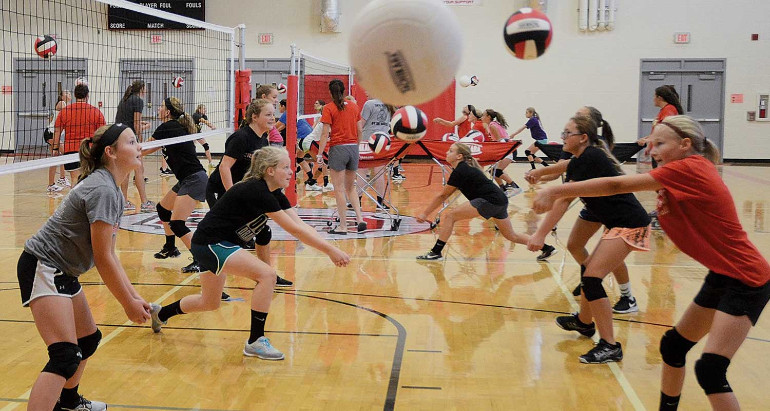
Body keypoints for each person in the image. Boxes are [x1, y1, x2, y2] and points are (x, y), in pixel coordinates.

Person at [533, 115, 769, 410]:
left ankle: (609, 328)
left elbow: (614, 185)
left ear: (685, 145)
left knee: (710, 369)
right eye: (651, 142)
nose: (650, 150)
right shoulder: (680, 172)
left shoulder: (691, 167)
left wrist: (555, 189)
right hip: (723, 275)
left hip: (747, 280)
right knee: (672, 346)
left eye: (659, 143)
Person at [149, 147, 351, 360]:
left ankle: (160, 313)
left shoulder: (274, 193)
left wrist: (331, 246)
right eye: (285, 167)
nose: (291, 171)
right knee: (267, 275)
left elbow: (301, 225)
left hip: (214, 244)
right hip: (211, 244)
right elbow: (295, 231)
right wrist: (330, 251)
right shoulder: (257, 190)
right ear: (269, 170)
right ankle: (255, 341)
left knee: (210, 302)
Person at [18, 123, 151, 411]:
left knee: (87, 340)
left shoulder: (112, 190)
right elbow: (102, 258)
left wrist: (134, 296)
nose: (139, 146)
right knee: (65, 355)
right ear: (111, 152)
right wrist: (127, 303)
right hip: (44, 265)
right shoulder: (102, 189)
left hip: (62, 270)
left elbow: (110, 255)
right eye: (131, 142)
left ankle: (68, 403)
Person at [526, 115, 651, 364]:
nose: (562, 137)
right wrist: (543, 177)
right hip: (616, 221)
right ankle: (584, 323)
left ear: (583, 137)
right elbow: (563, 186)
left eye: (567, 133)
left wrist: (540, 234)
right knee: (589, 273)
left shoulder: (592, 157)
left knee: (593, 277)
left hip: (629, 223)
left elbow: (563, 199)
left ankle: (610, 345)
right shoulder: (581, 159)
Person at [524, 107, 637, 313]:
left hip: (616, 211)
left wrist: (540, 233)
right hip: (595, 204)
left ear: (587, 130)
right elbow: (568, 165)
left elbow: (566, 196)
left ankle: (623, 295)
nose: (565, 134)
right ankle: (591, 281)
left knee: (609, 255)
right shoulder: (581, 151)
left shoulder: (593, 153)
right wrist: (541, 173)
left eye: (579, 116)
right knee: (575, 245)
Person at [415, 142, 556, 261]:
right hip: (500, 200)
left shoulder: (460, 171)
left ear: (459, 156)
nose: (447, 152)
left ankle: (436, 252)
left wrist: (425, 213)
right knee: (511, 235)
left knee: (450, 216)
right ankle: (547, 248)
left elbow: (442, 195)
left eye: (450, 151)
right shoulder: (464, 169)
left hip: (490, 201)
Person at [206, 99, 293, 287]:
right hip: (219, 191)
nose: (273, 118)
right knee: (223, 238)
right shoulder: (241, 137)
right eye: (268, 114)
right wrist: (231, 196)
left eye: (273, 114)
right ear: (254, 117)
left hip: (240, 193)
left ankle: (267, 275)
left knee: (263, 231)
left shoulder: (263, 138)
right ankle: (208, 276)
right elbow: (224, 167)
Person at [143, 98, 208, 274]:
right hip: (188, 178)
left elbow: (145, 148)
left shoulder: (168, 126)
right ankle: (170, 247)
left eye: (161, 107)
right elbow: (148, 150)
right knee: (163, 209)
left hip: (194, 179)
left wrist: (121, 151)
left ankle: (201, 260)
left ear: (168, 111)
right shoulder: (173, 127)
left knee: (178, 223)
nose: (158, 109)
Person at [317, 79, 367, 234]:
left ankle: (343, 226)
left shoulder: (328, 108)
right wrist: (356, 146)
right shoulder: (354, 106)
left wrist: (319, 154)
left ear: (330, 92)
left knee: (338, 189)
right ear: (344, 90)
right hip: (353, 148)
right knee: (351, 187)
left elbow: (325, 133)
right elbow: (360, 131)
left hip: (338, 149)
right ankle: (360, 220)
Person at [53, 83, 106, 185]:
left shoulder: (65, 111)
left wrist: (55, 148)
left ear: (75, 95)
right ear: (87, 96)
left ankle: (75, 200)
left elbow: (57, 130)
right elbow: (102, 133)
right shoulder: (96, 111)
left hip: (70, 150)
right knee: (89, 180)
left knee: (74, 180)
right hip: (88, 150)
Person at [115, 80, 153, 212]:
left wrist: (141, 124)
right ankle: (144, 202)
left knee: (125, 171)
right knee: (139, 170)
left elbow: (127, 119)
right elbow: (136, 125)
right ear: (142, 89)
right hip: (130, 140)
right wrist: (140, 141)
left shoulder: (124, 99)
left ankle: (124, 202)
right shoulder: (138, 101)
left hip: (119, 138)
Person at [358, 96, 396, 209]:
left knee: (362, 171)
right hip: (383, 142)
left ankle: (356, 201)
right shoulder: (389, 103)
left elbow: (361, 125)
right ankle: (381, 202)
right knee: (379, 173)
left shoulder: (369, 104)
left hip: (368, 140)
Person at [480, 109, 521, 196]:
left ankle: (515, 187)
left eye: (483, 115)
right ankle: (503, 190)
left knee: (497, 171)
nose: (481, 117)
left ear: (488, 117)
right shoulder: (493, 124)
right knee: (493, 171)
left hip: (508, 149)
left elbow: (500, 142)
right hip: (507, 148)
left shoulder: (492, 126)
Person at [275, 99, 315, 187]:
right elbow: (281, 127)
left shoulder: (287, 113)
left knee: (288, 155)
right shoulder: (294, 112)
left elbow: (276, 126)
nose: (278, 108)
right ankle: (310, 177)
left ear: (283, 106)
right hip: (310, 136)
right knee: (299, 158)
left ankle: (293, 174)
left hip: (303, 137)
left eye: (279, 106)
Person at [303, 100, 333, 192]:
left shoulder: (325, 120)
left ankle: (311, 183)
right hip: (310, 142)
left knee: (322, 163)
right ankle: (326, 183)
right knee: (324, 161)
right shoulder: (324, 122)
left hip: (311, 142)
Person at [46, 90, 71, 193]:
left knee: (56, 157)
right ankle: (62, 178)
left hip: (54, 133)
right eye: (66, 93)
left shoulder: (65, 104)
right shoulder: (62, 103)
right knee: (65, 153)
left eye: (70, 93)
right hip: (51, 134)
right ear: (61, 96)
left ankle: (52, 184)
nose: (69, 94)